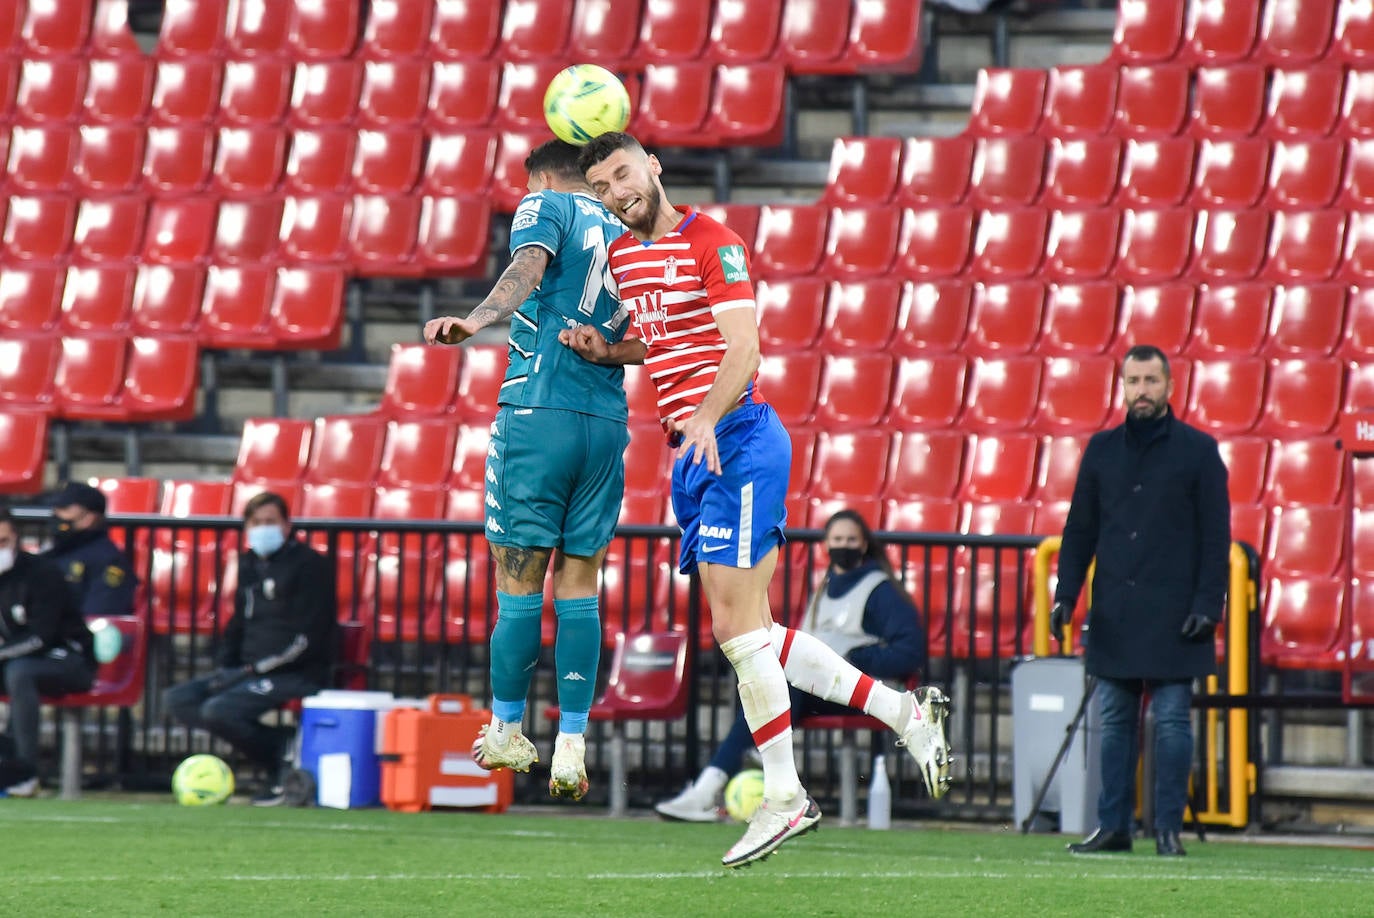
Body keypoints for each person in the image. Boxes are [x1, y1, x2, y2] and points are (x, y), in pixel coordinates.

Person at [565, 132, 951, 868]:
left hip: (738, 438)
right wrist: (607, 352)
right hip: (692, 453)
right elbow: (665, 338)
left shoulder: (715, 239)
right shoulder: (622, 257)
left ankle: (785, 797)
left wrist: (708, 415)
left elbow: (744, 347)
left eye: (623, 174)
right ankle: (904, 713)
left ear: (652, 165)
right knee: (752, 635)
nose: (617, 194)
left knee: (740, 635)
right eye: (603, 188)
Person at [422, 139, 629, 802]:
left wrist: (477, 320)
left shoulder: (547, 203)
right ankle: (572, 743)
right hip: (606, 419)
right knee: (580, 582)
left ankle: (507, 729)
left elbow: (528, 266)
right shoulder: (627, 226)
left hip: (539, 410)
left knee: (519, 580)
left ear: (540, 176)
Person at [1051, 344, 1230, 857]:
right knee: (1114, 723)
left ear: (1170, 387)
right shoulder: (1101, 449)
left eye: (1151, 381)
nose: (1142, 391)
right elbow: (1078, 530)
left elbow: (1216, 538)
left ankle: (1168, 830)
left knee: (1173, 720)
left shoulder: (1199, 450)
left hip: (1178, 612)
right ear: (1122, 386)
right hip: (1116, 608)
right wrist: (1066, 594)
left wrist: (1207, 605)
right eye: (1133, 381)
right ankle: (1114, 828)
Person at [656, 509, 927, 821]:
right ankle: (741, 773)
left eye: (851, 539)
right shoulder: (826, 585)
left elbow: (909, 652)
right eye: (837, 539)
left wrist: (853, 659)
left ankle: (728, 784)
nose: (844, 545)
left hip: (862, 692)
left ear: (864, 545)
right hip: (821, 690)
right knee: (763, 682)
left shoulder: (881, 591)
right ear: (826, 545)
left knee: (776, 686)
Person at [164, 492, 338, 806]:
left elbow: (308, 637)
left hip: (296, 672)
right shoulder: (248, 565)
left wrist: (254, 670)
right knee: (179, 699)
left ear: (287, 525)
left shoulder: (311, 566)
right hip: (247, 670)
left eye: (270, 522)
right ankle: (280, 748)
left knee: (220, 710)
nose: (262, 529)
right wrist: (225, 665)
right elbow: (239, 622)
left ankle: (279, 764)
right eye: (255, 522)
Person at [0, 506, 97, 797]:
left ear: (16, 538)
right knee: (17, 669)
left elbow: (42, 637)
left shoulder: (42, 573)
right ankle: (7, 756)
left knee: (20, 672)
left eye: (3, 542)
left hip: (68, 659)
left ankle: (26, 773)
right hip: (14, 659)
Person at [44, 482, 136, 618]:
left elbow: (100, 615)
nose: (56, 513)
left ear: (88, 518)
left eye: (64, 508)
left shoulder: (109, 561)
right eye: (55, 508)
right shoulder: (54, 553)